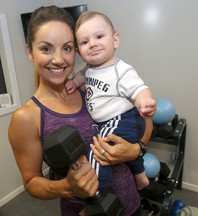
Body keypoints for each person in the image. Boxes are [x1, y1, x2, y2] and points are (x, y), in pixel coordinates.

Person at [8, 5, 151, 216]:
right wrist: (67, 186)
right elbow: (31, 183)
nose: (58, 59)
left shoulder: (90, 89)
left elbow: (144, 122)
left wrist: (136, 150)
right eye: (46, 48)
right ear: (30, 51)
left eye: (67, 48)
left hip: (131, 203)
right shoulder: (26, 117)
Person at [65, 11, 156, 190]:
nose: (92, 44)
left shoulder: (120, 70)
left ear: (115, 40)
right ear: (79, 51)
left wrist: (145, 101)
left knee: (98, 152)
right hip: (110, 121)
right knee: (124, 149)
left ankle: (100, 194)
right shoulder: (89, 68)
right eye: (84, 42)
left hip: (124, 119)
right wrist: (74, 83)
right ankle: (141, 176)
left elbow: (139, 88)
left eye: (99, 36)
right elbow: (83, 76)